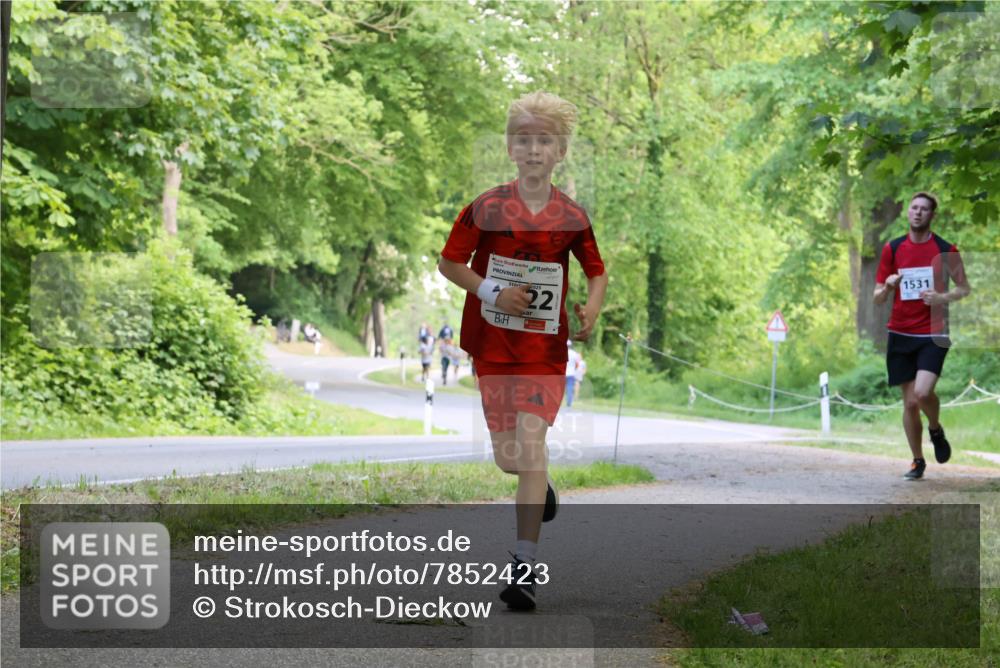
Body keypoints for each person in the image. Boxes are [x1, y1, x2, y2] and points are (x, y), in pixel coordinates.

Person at [438, 90, 608, 611]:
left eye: (545, 140)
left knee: (531, 447)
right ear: (510, 148)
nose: (534, 149)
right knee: (509, 459)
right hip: (492, 347)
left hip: (544, 351)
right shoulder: (486, 207)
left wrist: (591, 308)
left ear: (561, 151)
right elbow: (449, 263)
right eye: (524, 139)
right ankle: (541, 487)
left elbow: (596, 271)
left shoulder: (572, 216)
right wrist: (493, 291)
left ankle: (524, 567)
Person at [873, 192, 971, 480]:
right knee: (910, 404)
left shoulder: (945, 249)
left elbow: (964, 289)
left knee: (923, 392)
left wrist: (941, 297)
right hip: (900, 332)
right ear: (908, 212)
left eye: (924, 209)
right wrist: (888, 287)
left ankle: (935, 429)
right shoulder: (893, 248)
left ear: (932, 215)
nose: (917, 212)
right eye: (914, 208)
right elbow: (877, 298)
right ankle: (917, 461)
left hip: (933, 332)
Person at [564, 340, 581, 408]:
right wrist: (574, 369)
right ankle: (569, 403)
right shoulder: (574, 354)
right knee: (570, 388)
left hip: (563, 373)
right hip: (571, 373)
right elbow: (577, 364)